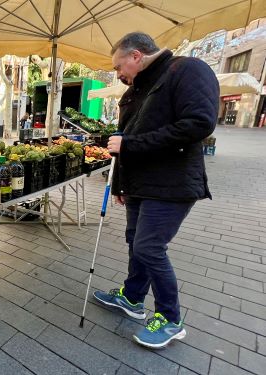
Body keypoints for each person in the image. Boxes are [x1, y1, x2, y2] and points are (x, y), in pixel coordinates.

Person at [92, 32, 218, 349]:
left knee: (149, 248)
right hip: (139, 185)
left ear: (136, 56)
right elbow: (124, 139)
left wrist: (131, 144)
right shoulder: (136, 89)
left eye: (119, 66)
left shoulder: (187, 69)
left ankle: (171, 319)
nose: (118, 74)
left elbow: (199, 123)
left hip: (172, 184)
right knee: (136, 242)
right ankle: (133, 298)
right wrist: (120, 183)